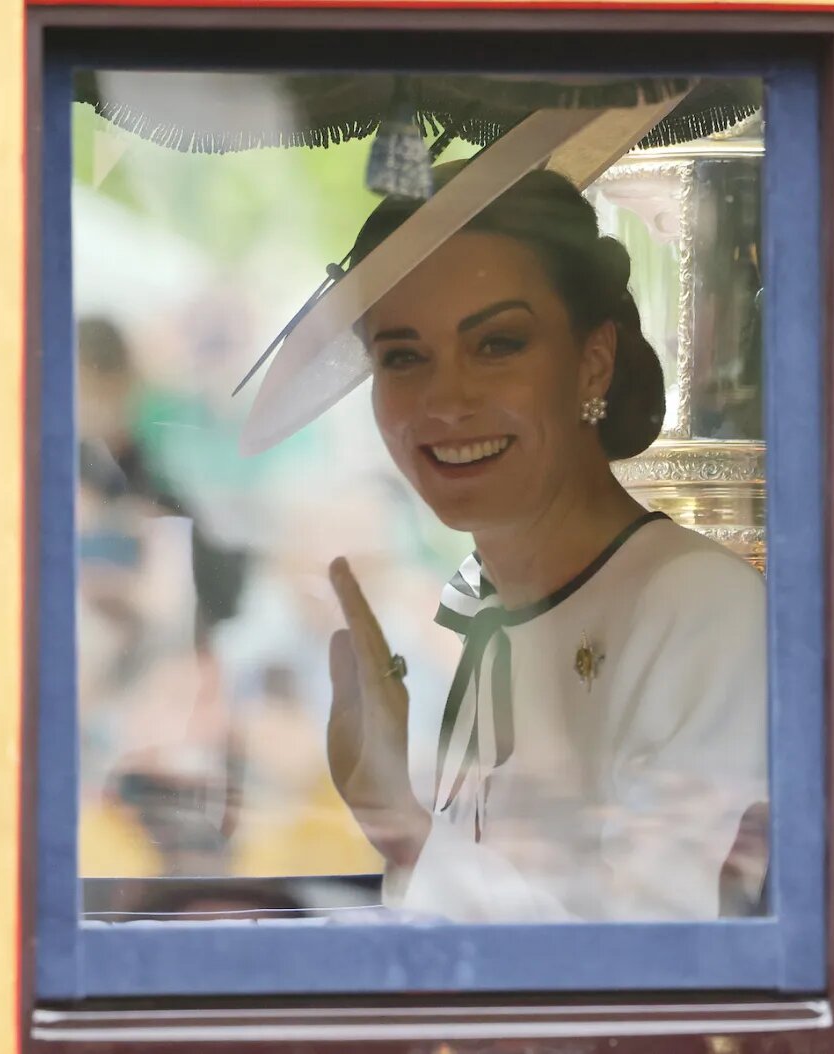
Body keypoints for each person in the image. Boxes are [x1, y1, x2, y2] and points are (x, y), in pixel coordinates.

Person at [261, 165, 768, 922]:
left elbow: (650, 961)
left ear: (590, 360)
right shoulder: (483, 602)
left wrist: (398, 825)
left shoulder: (695, 604)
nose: (446, 400)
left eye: (496, 345)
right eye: (402, 356)